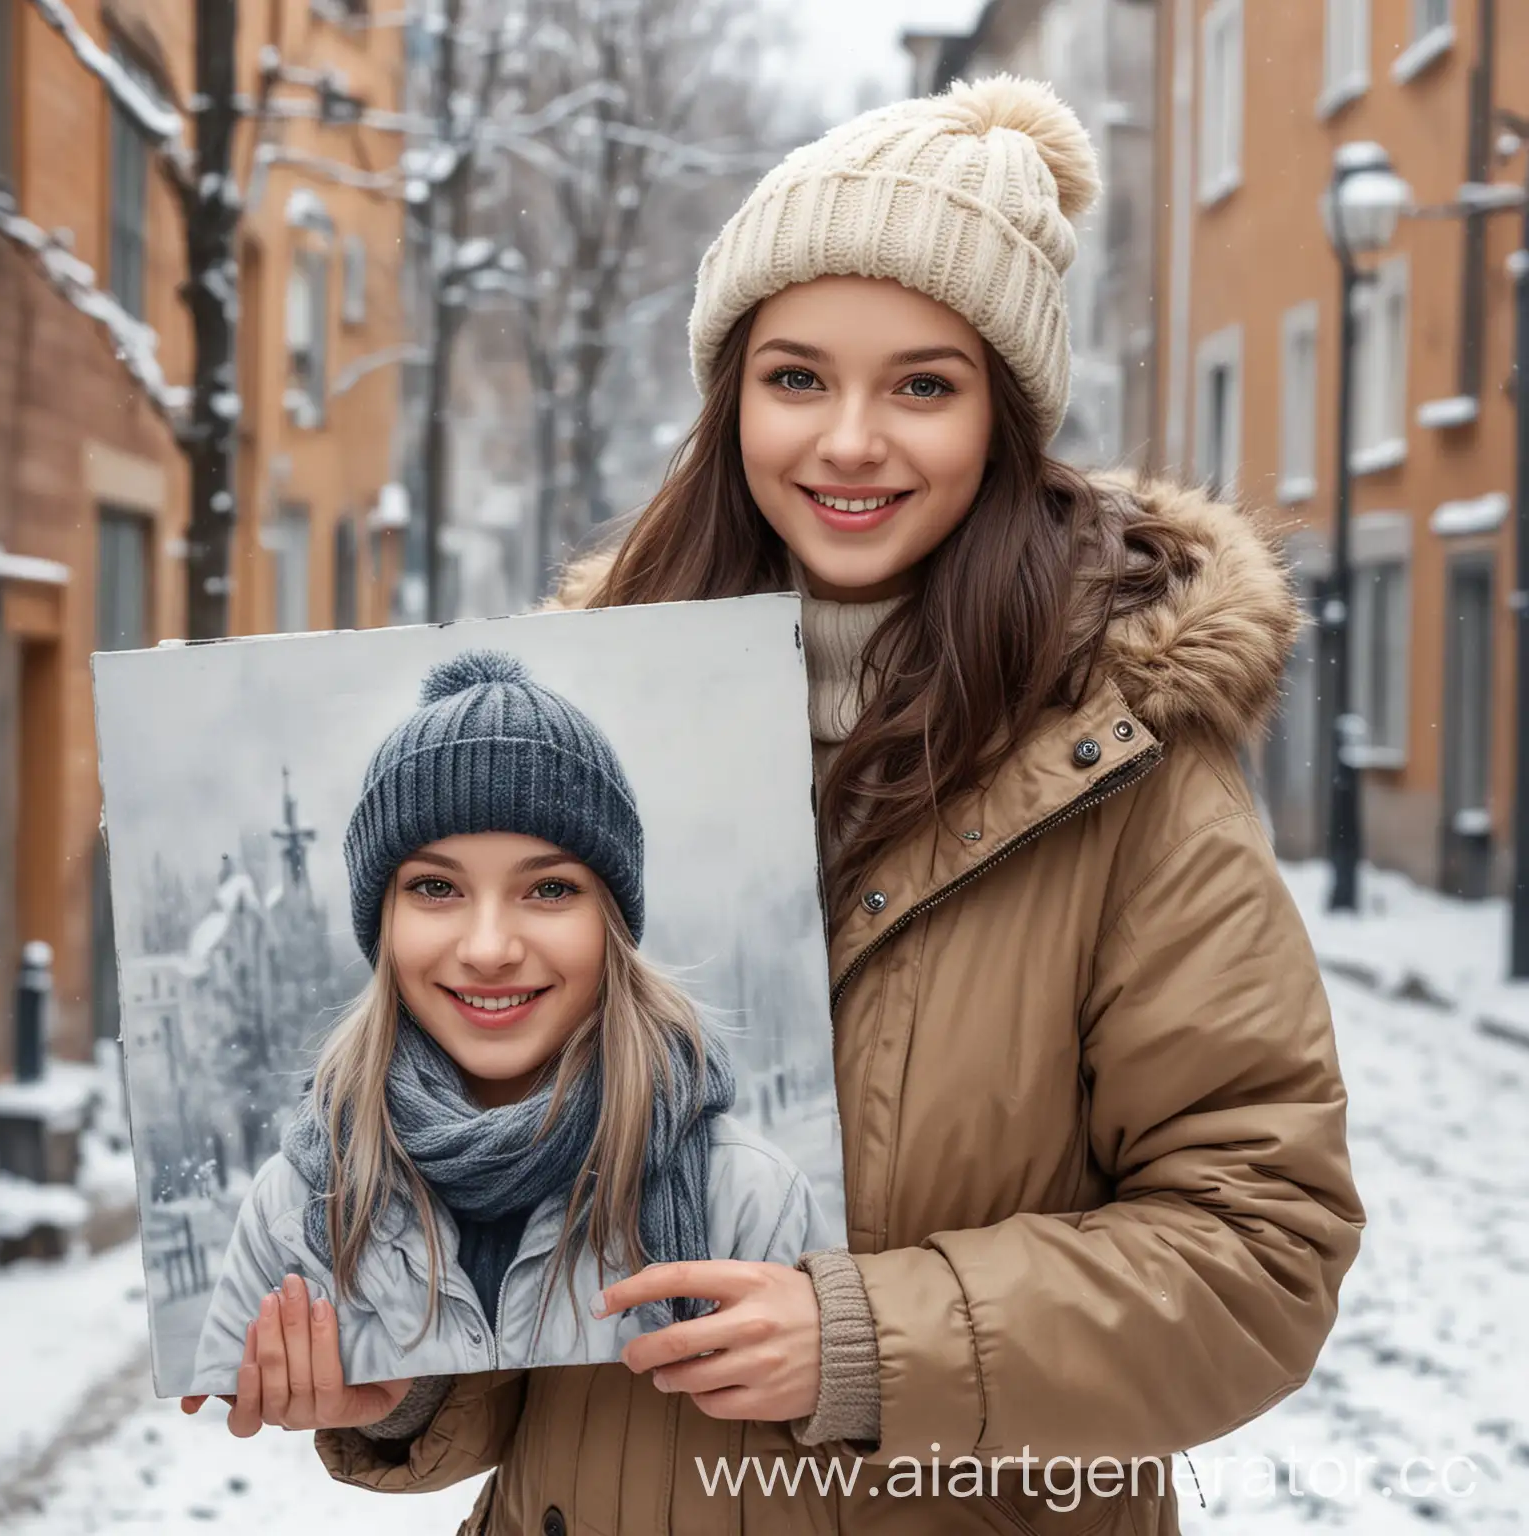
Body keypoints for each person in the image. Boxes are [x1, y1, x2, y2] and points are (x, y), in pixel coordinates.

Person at [192, 75, 1365, 1534]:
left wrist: (872, 1341)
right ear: (732, 394)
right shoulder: (597, 731)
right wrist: (404, 1384)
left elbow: (1260, 1249)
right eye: (797, 376)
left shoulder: (1122, 761)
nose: (850, 442)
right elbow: (549, 1285)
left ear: (1003, 416)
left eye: (923, 385)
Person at [185, 648, 833, 1410]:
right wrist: (387, 1418)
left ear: (612, 924)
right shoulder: (298, 1208)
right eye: (435, 887)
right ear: (383, 926)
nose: (489, 949)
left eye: (550, 888)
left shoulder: (744, 1198)